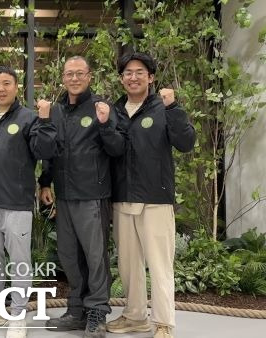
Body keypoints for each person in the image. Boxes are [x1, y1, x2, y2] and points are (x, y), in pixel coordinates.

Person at [106, 52, 195, 338]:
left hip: (155, 199)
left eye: (139, 72)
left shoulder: (162, 107)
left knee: (159, 265)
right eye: (128, 73)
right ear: (121, 79)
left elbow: (186, 142)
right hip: (122, 198)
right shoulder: (115, 110)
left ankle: (163, 323)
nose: (133, 77)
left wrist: (174, 108)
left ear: (151, 77)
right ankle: (134, 317)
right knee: (129, 265)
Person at [0, 65, 57, 338]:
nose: (1, 88)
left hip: (17, 201)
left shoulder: (30, 118)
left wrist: (44, 120)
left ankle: (17, 314)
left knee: (19, 259)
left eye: (6, 83)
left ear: (16, 87)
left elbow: (45, 152)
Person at [37, 55, 125, 338]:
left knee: (95, 256)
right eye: (69, 74)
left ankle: (97, 311)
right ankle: (76, 309)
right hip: (64, 195)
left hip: (93, 194)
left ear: (89, 76)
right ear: (63, 77)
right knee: (69, 255)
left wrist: (104, 124)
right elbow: (51, 150)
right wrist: (45, 182)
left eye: (79, 73)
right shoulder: (57, 111)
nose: (74, 79)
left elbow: (117, 148)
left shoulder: (101, 107)